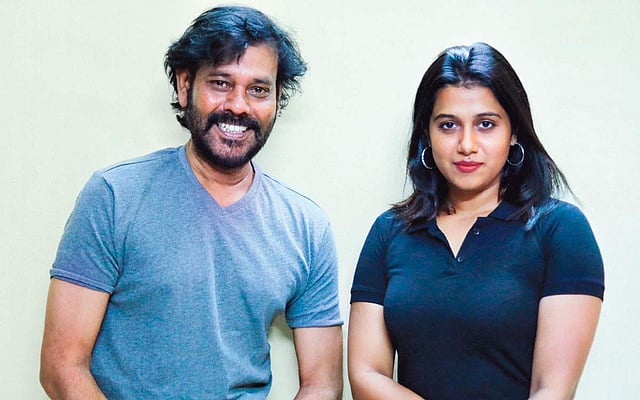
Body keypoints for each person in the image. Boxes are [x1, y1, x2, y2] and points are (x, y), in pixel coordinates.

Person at [39, 6, 343, 399]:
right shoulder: (114, 196)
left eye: (258, 89)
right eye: (221, 83)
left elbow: (323, 382)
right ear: (185, 86)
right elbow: (62, 366)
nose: (239, 105)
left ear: (277, 98)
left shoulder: (306, 227)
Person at [348, 42, 604, 399]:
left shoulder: (560, 230)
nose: (467, 145)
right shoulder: (390, 231)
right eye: (448, 125)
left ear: (513, 132)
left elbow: (552, 390)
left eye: (486, 124)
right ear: (427, 135)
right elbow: (366, 374)